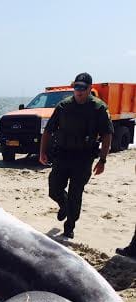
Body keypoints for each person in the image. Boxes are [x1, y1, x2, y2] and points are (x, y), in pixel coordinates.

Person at [39, 72, 114, 238]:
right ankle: (64, 205)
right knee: (54, 189)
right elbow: (48, 131)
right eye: (76, 87)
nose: (79, 91)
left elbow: (107, 134)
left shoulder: (98, 108)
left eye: (82, 88)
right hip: (63, 155)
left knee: (76, 192)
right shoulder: (64, 106)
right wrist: (42, 152)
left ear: (89, 89)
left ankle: (69, 226)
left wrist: (102, 160)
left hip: (84, 157)